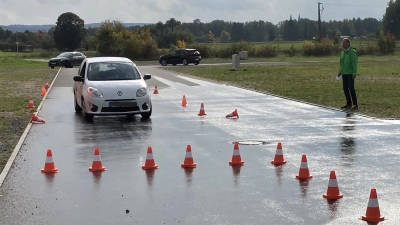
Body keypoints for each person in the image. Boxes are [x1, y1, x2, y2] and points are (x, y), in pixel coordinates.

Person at [338, 38, 358, 110]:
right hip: (344, 73)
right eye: (342, 43)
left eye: (344, 43)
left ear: (348, 43)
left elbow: (354, 63)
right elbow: (341, 63)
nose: (343, 44)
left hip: (350, 73)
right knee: (345, 88)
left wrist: (354, 72)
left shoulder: (352, 52)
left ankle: (355, 104)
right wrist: (340, 72)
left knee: (351, 88)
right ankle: (348, 103)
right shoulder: (342, 52)